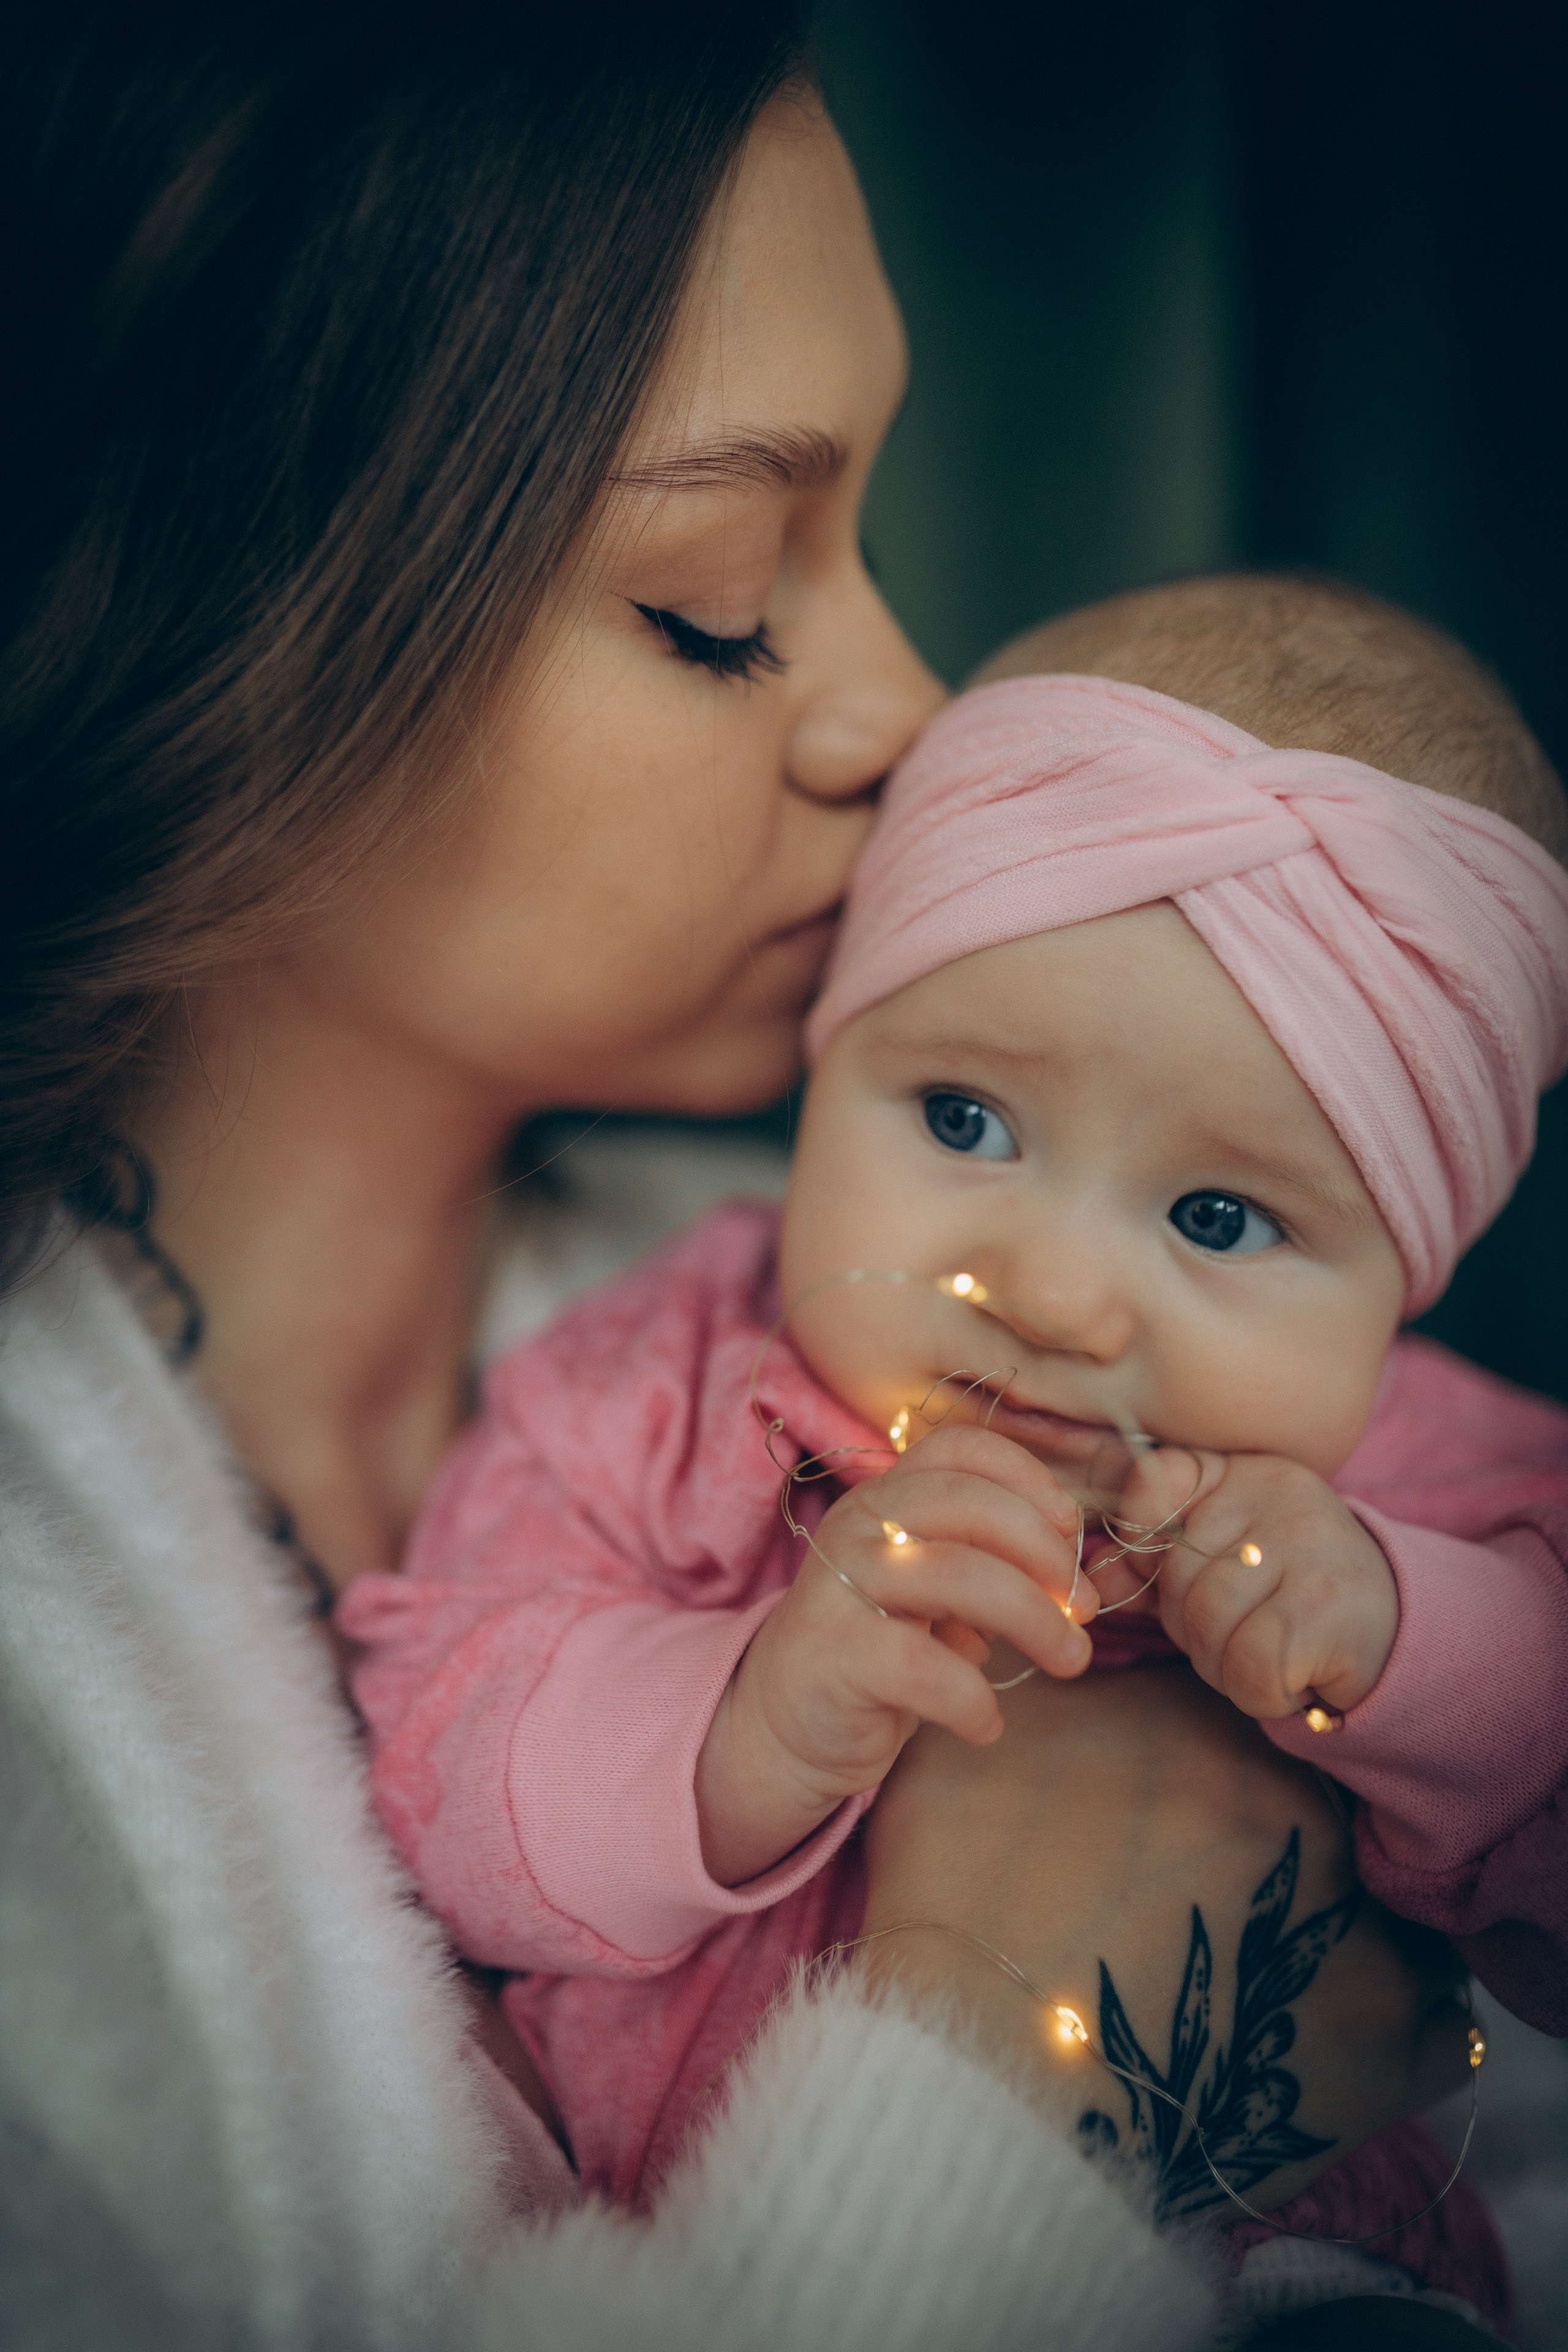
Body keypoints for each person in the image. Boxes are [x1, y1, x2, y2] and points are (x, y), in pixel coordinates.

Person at [0, 9, 1470, 2346]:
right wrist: (1001, 2049)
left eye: (867, 538)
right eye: (715, 593)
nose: (906, 711)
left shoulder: (803, 1303)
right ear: (213, 609)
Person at [342, 575, 1568, 2338]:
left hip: (1317, 2272)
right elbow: (438, 1750)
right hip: (759, 2238)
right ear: (835, 1055)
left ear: (1405, 1280)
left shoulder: (1449, 1485)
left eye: (1219, 1217)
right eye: (964, 1119)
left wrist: (1415, 1650)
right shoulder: (668, 1383)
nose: (1057, 1294)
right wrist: (744, 1723)